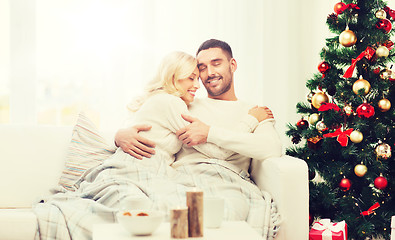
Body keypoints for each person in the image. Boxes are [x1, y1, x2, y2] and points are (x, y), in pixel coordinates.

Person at [115, 39, 283, 175]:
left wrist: (210, 133)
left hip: (228, 179)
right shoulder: (184, 104)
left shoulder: (254, 112)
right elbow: (147, 124)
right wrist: (119, 135)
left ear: (232, 65)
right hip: (179, 179)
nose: (209, 73)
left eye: (216, 63)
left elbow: (272, 148)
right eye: (202, 68)